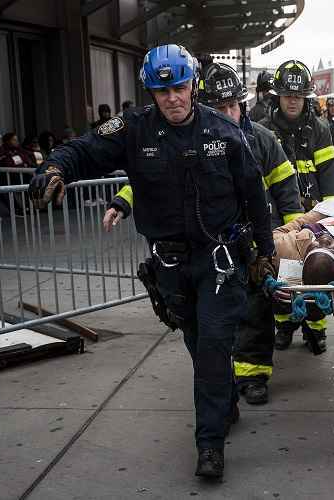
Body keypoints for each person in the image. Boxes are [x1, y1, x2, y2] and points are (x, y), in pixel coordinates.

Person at [28, 44, 274, 482]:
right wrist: (53, 168)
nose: (172, 98)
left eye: (179, 87)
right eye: (162, 91)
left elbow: (254, 193)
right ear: (150, 92)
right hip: (172, 268)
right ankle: (225, 402)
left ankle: (210, 445)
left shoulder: (224, 132)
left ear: (193, 86)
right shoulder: (134, 129)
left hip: (219, 263)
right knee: (200, 346)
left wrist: (265, 250)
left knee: (216, 344)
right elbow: (84, 149)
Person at [104, 62, 302, 407]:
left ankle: (253, 374)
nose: (229, 113)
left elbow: (286, 192)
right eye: (220, 107)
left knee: (254, 311)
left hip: (253, 242)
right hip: (214, 247)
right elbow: (156, 182)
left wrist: (291, 241)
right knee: (211, 329)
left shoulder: (262, 139)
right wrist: (123, 200)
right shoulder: (193, 137)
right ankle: (222, 390)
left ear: (242, 103)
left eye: (234, 106)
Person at [260, 59, 334, 352]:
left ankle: (315, 329)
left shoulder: (319, 129)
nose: (292, 101)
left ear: (305, 97)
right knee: (283, 273)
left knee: (316, 273)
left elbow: (330, 175)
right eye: (287, 95)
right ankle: (285, 324)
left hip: (313, 216)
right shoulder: (262, 131)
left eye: (298, 96)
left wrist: (330, 218)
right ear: (277, 96)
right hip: (277, 217)